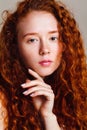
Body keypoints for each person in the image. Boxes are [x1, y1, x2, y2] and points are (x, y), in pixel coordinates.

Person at [0, 0, 87, 129]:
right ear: (14, 46)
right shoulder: (2, 100)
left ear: (65, 43)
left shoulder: (79, 92)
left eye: (53, 38)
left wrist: (48, 117)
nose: (45, 49)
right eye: (32, 40)